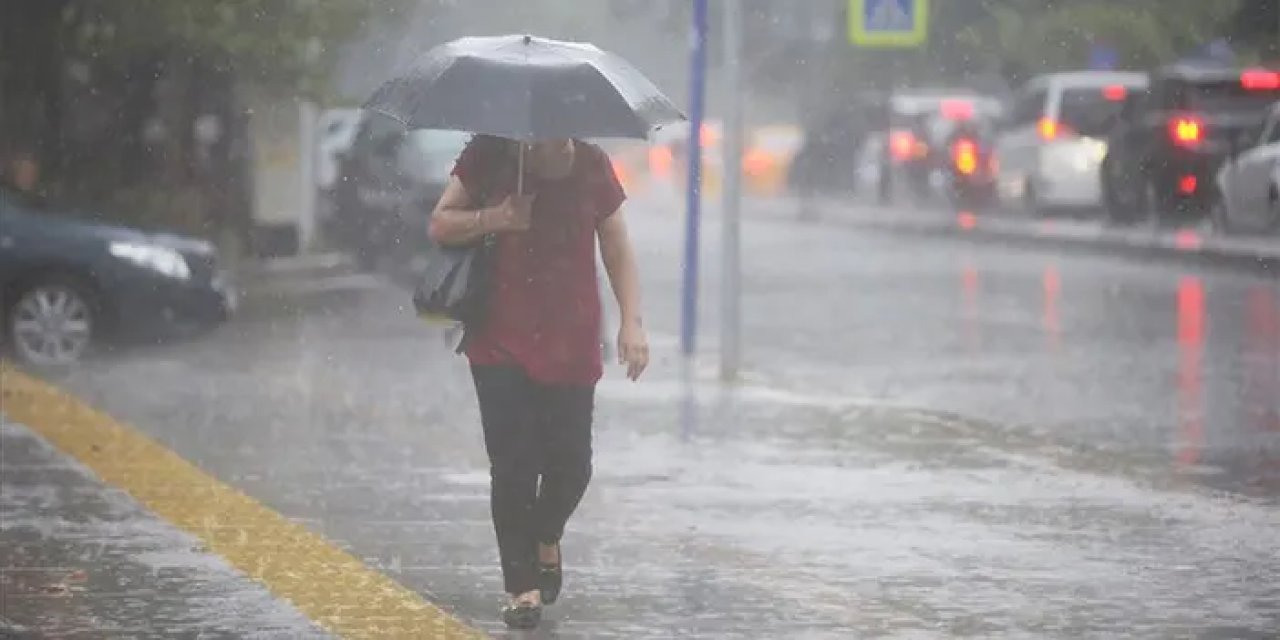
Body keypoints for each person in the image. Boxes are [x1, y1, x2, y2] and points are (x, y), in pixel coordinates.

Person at [428, 135, 649, 629]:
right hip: (499, 338)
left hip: (570, 337)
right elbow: (441, 222)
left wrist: (631, 321)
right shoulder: (489, 155)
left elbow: (616, 246)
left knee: (573, 466)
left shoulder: (592, 165)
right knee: (513, 466)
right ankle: (520, 586)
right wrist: (496, 217)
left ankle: (546, 534)